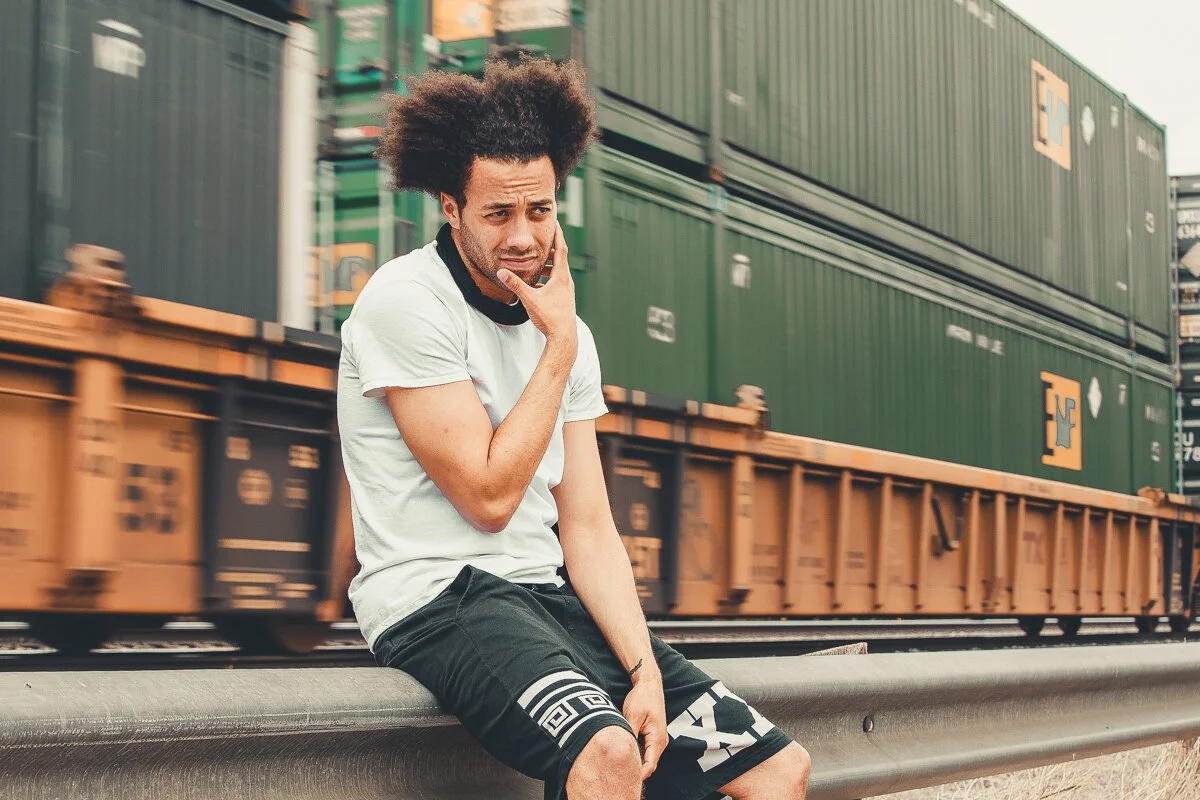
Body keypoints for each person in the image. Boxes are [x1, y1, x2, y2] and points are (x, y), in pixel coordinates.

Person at [336, 56, 811, 800]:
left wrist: (643, 669)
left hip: (544, 597)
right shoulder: (407, 302)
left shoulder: (569, 332)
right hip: (438, 599)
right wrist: (554, 346)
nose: (524, 237)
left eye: (541, 210)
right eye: (498, 214)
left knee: (776, 770)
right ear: (451, 205)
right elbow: (489, 498)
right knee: (609, 755)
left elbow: (586, 526)